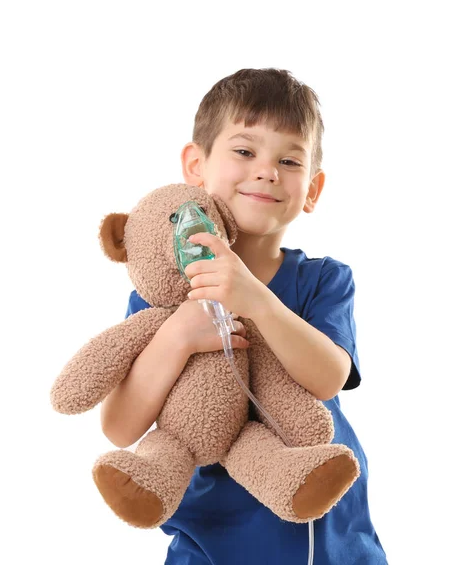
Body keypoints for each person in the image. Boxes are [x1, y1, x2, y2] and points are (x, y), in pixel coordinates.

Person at [100, 68, 387, 564]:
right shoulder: (160, 293)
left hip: (325, 543)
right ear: (196, 164)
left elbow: (327, 378)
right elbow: (120, 428)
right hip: (207, 544)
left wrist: (254, 299)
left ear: (312, 189)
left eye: (289, 160)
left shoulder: (322, 279)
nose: (267, 171)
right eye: (244, 151)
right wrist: (178, 337)